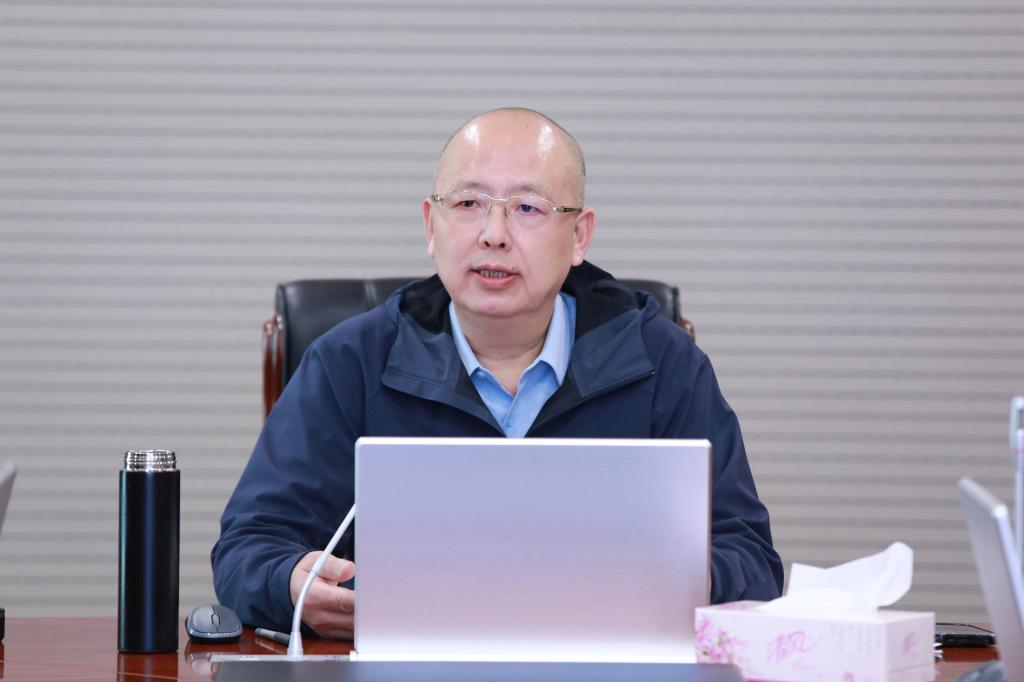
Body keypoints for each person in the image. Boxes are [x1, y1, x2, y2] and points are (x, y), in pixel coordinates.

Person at [212, 108, 784, 639]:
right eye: (468, 203)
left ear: (579, 236)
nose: (493, 234)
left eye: (527, 208)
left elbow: (751, 560)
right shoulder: (349, 362)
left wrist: (657, 581)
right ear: (430, 225)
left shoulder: (660, 362)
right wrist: (290, 582)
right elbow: (247, 549)